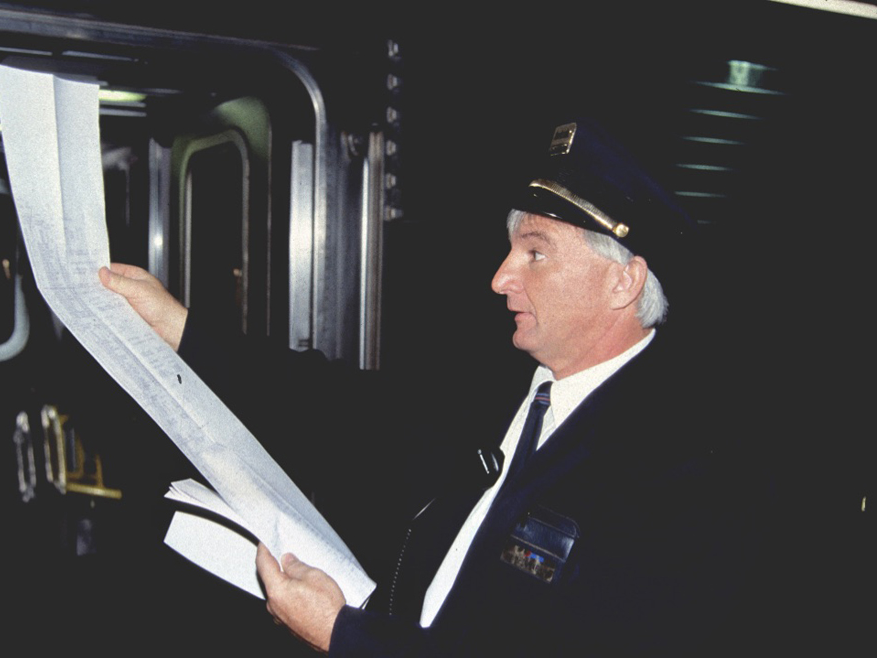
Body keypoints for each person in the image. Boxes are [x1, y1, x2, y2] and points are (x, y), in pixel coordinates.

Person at [99, 119, 764, 656]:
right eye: (510, 249)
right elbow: (337, 408)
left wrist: (344, 634)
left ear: (623, 281)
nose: (502, 277)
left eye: (535, 252)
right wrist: (181, 329)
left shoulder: (684, 479)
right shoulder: (506, 391)